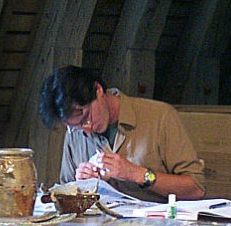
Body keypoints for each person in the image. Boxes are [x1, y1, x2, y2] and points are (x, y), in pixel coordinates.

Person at [38, 65, 205, 202]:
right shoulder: (75, 131)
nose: (86, 129)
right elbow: (64, 196)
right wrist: (81, 186)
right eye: (77, 126)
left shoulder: (161, 116)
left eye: (86, 118)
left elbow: (196, 189)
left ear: (98, 90)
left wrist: (136, 174)